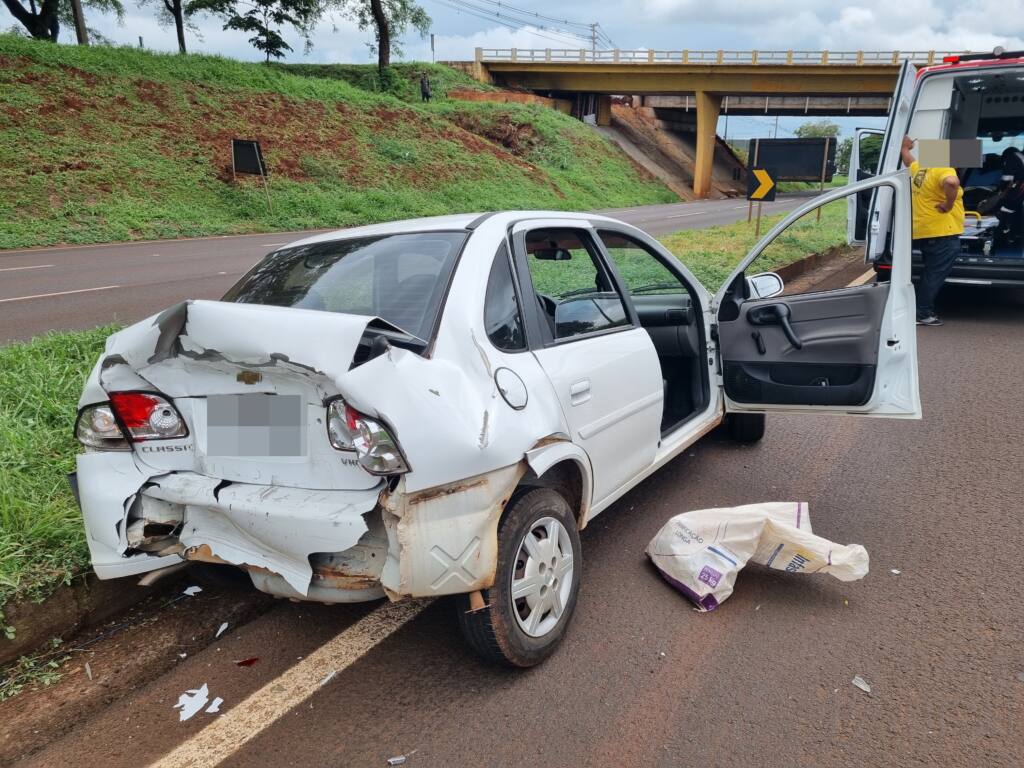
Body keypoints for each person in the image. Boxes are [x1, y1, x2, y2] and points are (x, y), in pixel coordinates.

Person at [901, 136, 964, 326]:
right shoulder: (943, 168)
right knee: (934, 275)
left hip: (923, 229)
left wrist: (905, 147)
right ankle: (922, 313)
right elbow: (952, 183)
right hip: (943, 231)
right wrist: (948, 203)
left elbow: (908, 160)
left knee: (929, 272)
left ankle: (915, 308)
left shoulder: (920, 169)